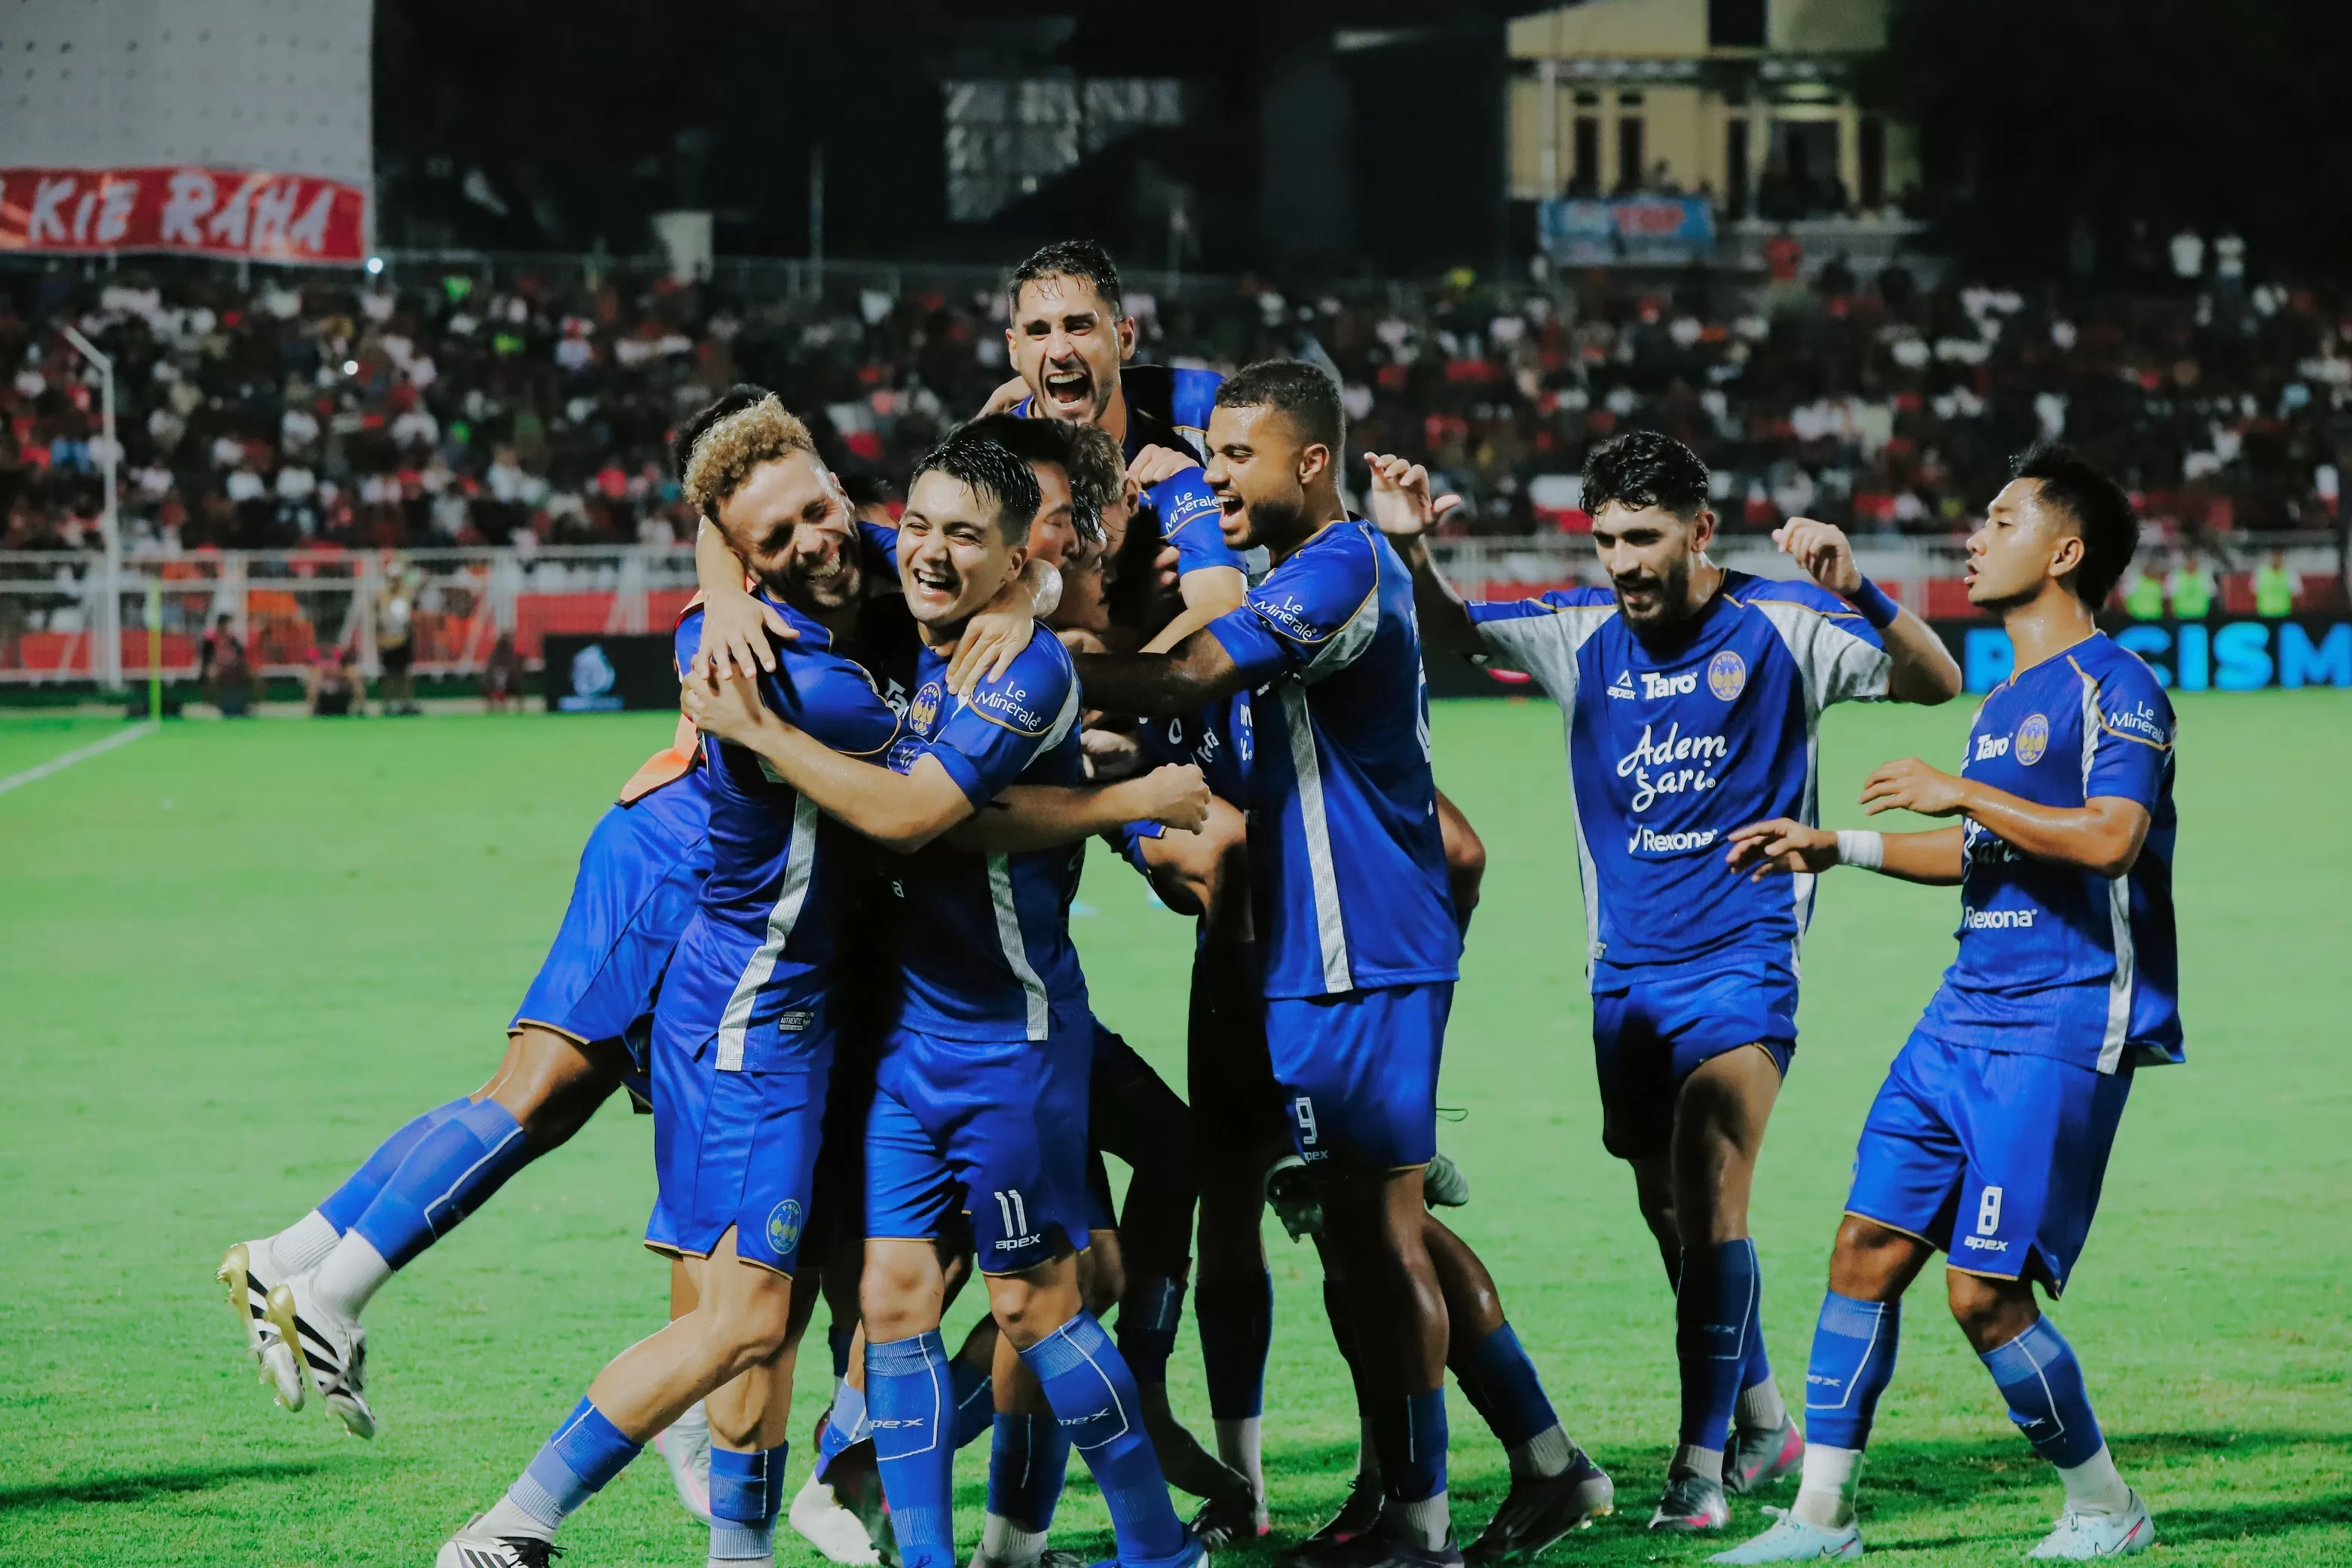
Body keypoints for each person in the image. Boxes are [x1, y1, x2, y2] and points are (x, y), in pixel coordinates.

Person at [438, 398, 1196, 1568]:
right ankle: (518, 1523)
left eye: (819, 513)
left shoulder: (918, 596)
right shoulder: (799, 677)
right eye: (771, 541)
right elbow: (916, 816)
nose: (815, 544)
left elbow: (971, 604)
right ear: (742, 557)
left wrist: (1027, 600)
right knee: (751, 1318)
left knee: (895, 1308)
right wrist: (1126, 798)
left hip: (919, 1026)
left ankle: (1073, 1549)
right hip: (759, 1021)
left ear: (853, 501)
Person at [1377, 429, 1964, 1533]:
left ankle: (1697, 1475)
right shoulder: (1582, 631)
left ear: (1700, 529)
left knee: (1708, 1184)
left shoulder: (1785, 625)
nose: (1623, 563)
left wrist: (1863, 591)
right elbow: (1454, 642)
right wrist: (1412, 553)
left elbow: (1935, 682)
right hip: (1627, 979)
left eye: (1644, 539)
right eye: (1605, 541)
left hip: (1744, 964)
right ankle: (1760, 1414)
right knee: (1668, 1209)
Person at [1070, 363, 1603, 1568]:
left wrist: (1008, 670)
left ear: (1309, 462)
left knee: (1377, 1237)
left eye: (1234, 459)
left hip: (1361, 954)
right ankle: (1526, 1469)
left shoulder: (1342, 565)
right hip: (1327, 956)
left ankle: (1421, 1516)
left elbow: (1198, 674)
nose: (1213, 482)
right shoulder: (1309, 578)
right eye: (1203, 461)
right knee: (1367, 1233)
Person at [682, 427, 1209, 1568]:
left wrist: (762, 732)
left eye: (963, 538)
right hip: (906, 1041)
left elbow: (922, 816)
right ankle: (925, 1560)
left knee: (1039, 1312)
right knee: (897, 1302)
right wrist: (717, 587)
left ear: (1016, 560)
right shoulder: (909, 604)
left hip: (1008, 1042)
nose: (921, 551)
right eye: (914, 525)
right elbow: (748, 520)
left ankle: (1161, 1552)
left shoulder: (1023, 665)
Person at [1713, 443, 2173, 1563]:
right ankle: (1822, 1520)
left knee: (1982, 1295)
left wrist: (1961, 787)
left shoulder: (2118, 684)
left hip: (2063, 1014)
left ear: (2064, 551)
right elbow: (1985, 853)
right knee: (1865, 1245)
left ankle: (2106, 1506)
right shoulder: (2006, 699)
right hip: (1964, 1008)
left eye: (2001, 518)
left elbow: (2113, 841)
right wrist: (1842, 846)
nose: (1974, 535)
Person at [375, 559, 420, 715]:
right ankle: (389, 703)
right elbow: (377, 619)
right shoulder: (381, 596)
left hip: (403, 640)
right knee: (389, 674)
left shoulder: (406, 593)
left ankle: (406, 701)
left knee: (405, 673)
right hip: (386, 640)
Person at [308, 645, 360, 716]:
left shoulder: (340, 654)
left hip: (341, 686)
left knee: (354, 677)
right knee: (315, 678)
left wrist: (335, 674)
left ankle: (361, 709)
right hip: (323, 686)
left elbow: (346, 670)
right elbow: (312, 670)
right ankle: (313, 709)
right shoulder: (314, 654)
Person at [2163, 551, 2214, 620]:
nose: (2191, 565)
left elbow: (2212, 595)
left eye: (2193, 562)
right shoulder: (2176, 576)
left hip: (2201, 616)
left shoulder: (2205, 577)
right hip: (2180, 616)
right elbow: (2169, 597)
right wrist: (2172, 614)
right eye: (2189, 562)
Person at [483, 631, 525, 710]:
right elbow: (491, 670)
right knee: (488, 684)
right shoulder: (495, 656)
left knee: (517, 685)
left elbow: (515, 670)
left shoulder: (513, 656)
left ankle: (519, 708)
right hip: (494, 683)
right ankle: (493, 706)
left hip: (510, 683)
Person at [2253, 550, 2300, 618]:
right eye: (2275, 556)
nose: (2277, 559)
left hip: (2284, 614)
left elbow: (2297, 594)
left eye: (2279, 557)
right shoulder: (2261, 572)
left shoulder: (2290, 573)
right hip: (2264, 615)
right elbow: (2254, 591)